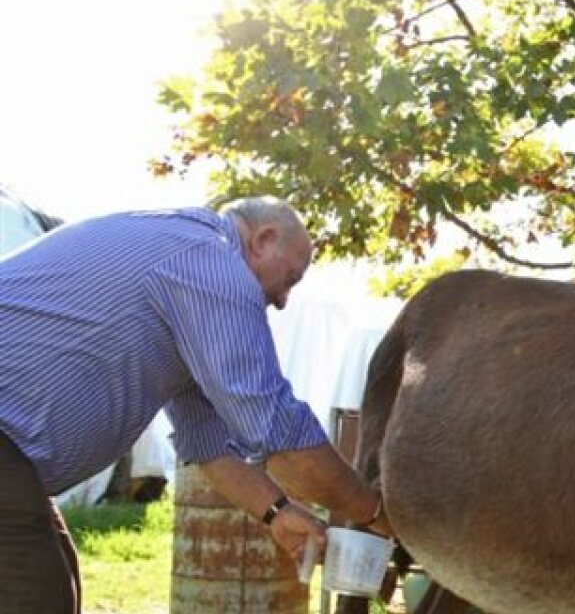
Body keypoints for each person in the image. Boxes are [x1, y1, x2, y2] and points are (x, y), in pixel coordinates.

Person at [0, 196, 391, 614]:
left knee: (56, 582)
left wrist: (276, 513)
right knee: (36, 597)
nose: (282, 302)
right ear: (263, 239)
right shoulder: (212, 263)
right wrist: (376, 512)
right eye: (290, 279)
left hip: (17, 460)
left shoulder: (185, 265)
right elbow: (280, 434)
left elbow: (208, 443)